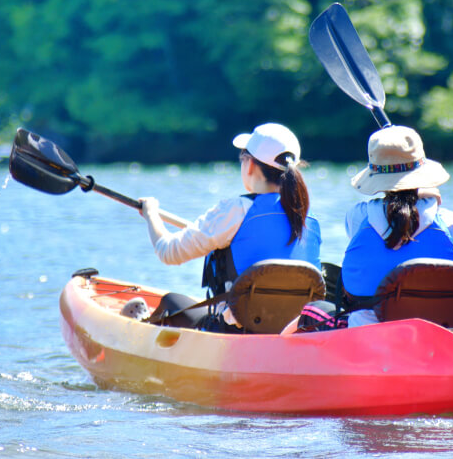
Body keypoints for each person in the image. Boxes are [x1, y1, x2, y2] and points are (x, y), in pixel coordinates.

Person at [138, 122, 322, 332]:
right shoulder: (309, 217)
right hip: (295, 331)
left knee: (171, 302)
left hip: (237, 332)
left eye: (242, 157)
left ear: (251, 165)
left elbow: (168, 251)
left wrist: (151, 214)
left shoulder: (236, 210)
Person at [340, 125, 453, 328]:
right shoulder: (451, 222)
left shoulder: (358, 217)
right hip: (443, 333)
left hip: (370, 335)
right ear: (422, 175)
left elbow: (396, 212)